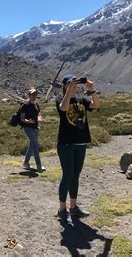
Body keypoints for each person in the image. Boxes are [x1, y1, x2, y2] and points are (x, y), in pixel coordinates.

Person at [56, 75, 100, 227]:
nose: (74, 85)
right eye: (70, 82)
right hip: (66, 143)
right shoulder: (60, 100)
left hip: (81, 142)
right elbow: (64, 108)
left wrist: (91, 89)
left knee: (76, 174)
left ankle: (73, 207)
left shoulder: (82, 101)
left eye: (75, 82)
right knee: (67, 174)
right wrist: (69, 91)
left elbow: (96, 105)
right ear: (64, 86)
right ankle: (62, 209)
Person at [20, 88, 45, 172]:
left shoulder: (36, 105)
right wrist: (29, 121)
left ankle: (26, 163)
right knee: (35, 144)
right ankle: (39, 165)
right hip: (28, 128)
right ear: (29, 95)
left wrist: (40, 119)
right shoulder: (25, 106)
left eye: (35, 94)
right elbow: (22, 118)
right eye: (32, 94)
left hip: (36, 127)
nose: (34, 96)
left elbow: (38, 114)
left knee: (32, 145)